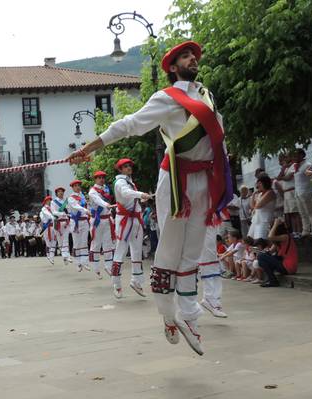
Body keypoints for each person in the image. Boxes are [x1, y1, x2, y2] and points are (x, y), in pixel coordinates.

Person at [70, 41, 233, 355]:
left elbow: (218, 134)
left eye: (194, 56)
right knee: (171, 248)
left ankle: (189, 315)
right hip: (176, 180)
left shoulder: (205, 96)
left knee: (194, 249)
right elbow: (130, 124)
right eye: (185, 57)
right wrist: (89, 148)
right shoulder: (167, 98)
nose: (192, 59)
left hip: (205, 178)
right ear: (173, 67)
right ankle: (167, 314)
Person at [111, 159, 148, 299]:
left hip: (136, 218)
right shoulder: (120, 182)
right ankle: (117, 284)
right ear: (120, 169)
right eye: (125, 166)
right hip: (124, 220)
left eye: (129, 166)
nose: (128, 168)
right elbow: (126, 194)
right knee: (121, 249)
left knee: (137, 250)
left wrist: (141, 198)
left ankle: (136, 281)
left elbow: (131, 198)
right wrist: (140, 194)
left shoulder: (129, 181)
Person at [287, 149, 312, 237]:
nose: (294, 157)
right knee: (302, 213)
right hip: (297, 192)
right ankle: (306, 230)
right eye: (294, 156)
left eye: (296, 155)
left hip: (306, 191)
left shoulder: (307, 165)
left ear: (302, 155)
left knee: (310, 211)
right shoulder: (294, 166)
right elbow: (287, 175)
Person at [88, 170, 115, 279]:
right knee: (96, 243)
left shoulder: (107, 189)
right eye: (99, 177)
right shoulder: (92, 191)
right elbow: (98, 200)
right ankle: (96, 267)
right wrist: (106, 204)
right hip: (97, 220)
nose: (102, 179)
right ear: (95, 179)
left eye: (103, 177)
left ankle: (108, 266)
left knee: (108, 243)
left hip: (107, 219)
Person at [257, 217, 298, 287]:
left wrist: (275, 224)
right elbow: (269, 252)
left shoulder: (285, 237)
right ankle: (271, 280)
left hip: (288, 267)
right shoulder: (278, 242)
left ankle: (272, 280)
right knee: (261, 259)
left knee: (260, 256)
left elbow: (270, 237)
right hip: (283, 265)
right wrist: (264, 251)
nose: (270, 230)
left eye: (271, 228)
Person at [67, 180, 90, 272]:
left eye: (78, 185)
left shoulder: (83, 196)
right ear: (72, 187)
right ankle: (78, 263)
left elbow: (87, 206)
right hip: (75, 222)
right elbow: (76, 206)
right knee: (76, 243)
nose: (77, 187)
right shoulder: (70, 198)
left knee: (84, 242)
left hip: (84, 221)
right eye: (75, 186)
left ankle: (85, 262)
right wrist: (85, 210)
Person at [248, 175, 277, 240]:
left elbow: (258, 206)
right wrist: (253, 195)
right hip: (257, 219)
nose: (258, 185)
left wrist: (255, 204)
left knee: (261, 239)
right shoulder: (260, 194)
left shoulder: (270, 192)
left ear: (265, 183)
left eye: (260, 183)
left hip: (265, 219)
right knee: (251, 240)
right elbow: (252, 206)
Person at [52, 187, 72, 265]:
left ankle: (68, 255)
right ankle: (64, 256)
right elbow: (53, 212)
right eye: (59, 191)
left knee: (66, 240)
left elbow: (69, 210)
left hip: (65, 222)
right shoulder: (53, 202)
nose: (61, 193)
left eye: (62, 191)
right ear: (56, 193)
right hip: (58, 222)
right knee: (60, 241)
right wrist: (61, 213)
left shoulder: (66, 201)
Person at [39, 196, 57, 265]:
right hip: (47, 227)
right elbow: (45, 216)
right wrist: (52, 217)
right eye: (48, 200)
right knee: (48, 242)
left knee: (54, 241)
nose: (50, 201)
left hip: (53, 226)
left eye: (50, 200)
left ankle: (52, 256)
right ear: (46, 201)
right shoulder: (44, 208)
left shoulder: (53, 208)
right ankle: (48, 254)